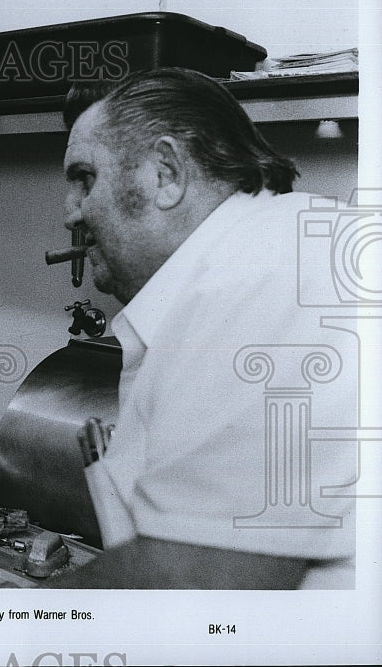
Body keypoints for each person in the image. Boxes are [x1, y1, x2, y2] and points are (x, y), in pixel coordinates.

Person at [49, 68, 357, 589]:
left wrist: (19, 620)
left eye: (85, 178)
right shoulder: (238, 267)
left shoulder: (270, 269)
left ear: (165, 173)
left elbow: (202, 578)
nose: (70, 213)